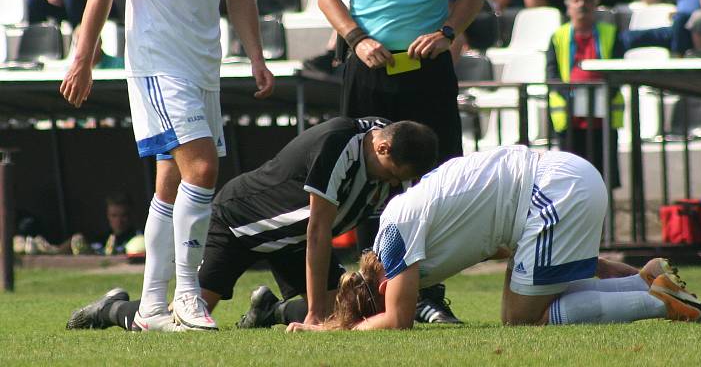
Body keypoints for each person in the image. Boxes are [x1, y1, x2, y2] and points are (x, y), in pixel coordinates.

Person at [60, 0, 275, 332]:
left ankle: (152, 308)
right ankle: (188, 296)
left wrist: (256, 56)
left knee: (171, 182)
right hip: (158, 62)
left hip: (204, 63)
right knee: (202, 168)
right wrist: (82, 59)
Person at [317, 0, 483, 324]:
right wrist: (355, 38)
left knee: (435, 184)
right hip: (370, 71)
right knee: (368, 186)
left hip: (428, 73)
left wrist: (449, 32)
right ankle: (371, 292)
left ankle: (429, 294)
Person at [66, 117, 439, 332]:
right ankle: (112, 309)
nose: (394, 185)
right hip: (237, 224)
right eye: (394, 175)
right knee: (180, 327)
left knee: (352, 315)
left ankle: (269, 311)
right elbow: (318, 231)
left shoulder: (390, 146)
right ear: (383, 149)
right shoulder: (340, 144)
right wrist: (312, 315)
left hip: (289, 240)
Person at [287, 147, 701, 331]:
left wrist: (327, 333)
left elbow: (397, 320)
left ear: (381, 287)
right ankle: (645, 281)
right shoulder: (404, 222)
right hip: (561, 179)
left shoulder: (394, 240)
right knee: (528, 280)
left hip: (552, 192)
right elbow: (496, 242)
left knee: (521, 319)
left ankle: (658, 303)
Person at [546, 0, 623, 187]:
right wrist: (570, 97)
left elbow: (620, 72)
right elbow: (552, 75)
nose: (582, 5)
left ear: (596, 5)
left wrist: (603, 95)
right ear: (568, 6)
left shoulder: (611, 33)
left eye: (587, 0)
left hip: (603, 119)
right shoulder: (558, 36)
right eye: (577, 0)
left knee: (602, 181)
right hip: (570, 120)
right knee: (571, 182)